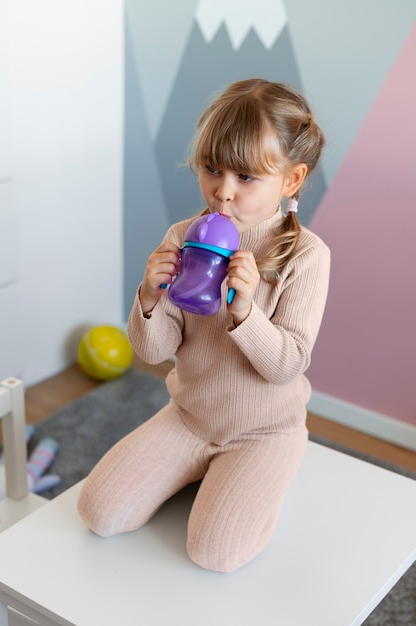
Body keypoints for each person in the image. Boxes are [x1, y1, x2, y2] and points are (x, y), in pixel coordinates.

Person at [78, 78, 331, 572]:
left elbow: (288, 366)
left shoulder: (306, 256)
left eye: (246, 176)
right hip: (190, 416)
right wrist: (149, 298)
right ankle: (201, 468)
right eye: (212, 169)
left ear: (292, 180)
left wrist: (244, 313)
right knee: (99, 512)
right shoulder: (183, 235)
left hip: (262, 430)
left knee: (214, 554)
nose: (223, 191)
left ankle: (259, 471)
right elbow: (153, 352)